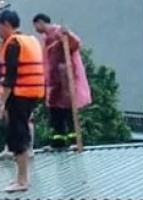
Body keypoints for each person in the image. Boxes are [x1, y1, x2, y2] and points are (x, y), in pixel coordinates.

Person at [0, 9, 45, 193]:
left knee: (18, 135)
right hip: (32, 93)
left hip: (20, 94)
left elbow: (10, 78)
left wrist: (1, 103)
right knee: (19, 132)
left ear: (6, 25)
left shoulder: (14, 44)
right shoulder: (30, 40)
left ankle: (22, 180)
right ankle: (21, 179)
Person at [33, 13, 92, 150]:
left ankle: (74, 141)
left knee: (68, 110)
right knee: (55, 112)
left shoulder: (59, 32)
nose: (35, 28)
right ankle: (57, 142)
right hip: (54, 81)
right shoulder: (45, 38)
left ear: (41, 22)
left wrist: (68, 35)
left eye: (36, 25)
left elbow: (75, 43)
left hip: (65, 79)